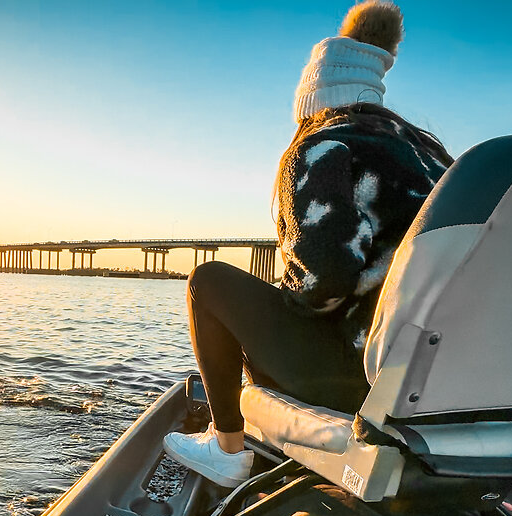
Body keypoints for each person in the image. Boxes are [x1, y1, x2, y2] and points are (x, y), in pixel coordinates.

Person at [163, 1, 453, 487]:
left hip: (365, 383)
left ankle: (226, 447)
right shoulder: (432, 155)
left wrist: (277, 312)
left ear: (311, 101)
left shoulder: (324, 146)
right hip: (439, 384)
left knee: (208, 282)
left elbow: (324, 281)